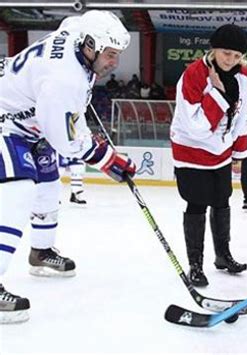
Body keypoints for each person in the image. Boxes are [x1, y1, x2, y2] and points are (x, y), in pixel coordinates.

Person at [0, 10, 136, 324]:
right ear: (90, 46)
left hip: (31, 121)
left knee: (48, 184)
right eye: (111, 54)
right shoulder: (64, 79)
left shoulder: (77, 34)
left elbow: (74, 21)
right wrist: (108, 159)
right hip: (7, 122)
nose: (115, 62)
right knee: (19, 192)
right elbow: (66, 140)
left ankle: (41, 253)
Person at [170, 24, 247, 287]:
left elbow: (242, 116)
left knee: (221, 200)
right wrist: (216, 92)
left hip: (221, 152)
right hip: (191, 151)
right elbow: (196, 126)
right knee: (197, 203)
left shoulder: (242, 76)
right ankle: (195, 264)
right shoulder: (193, 74)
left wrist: (238, 150)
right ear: (214, 49)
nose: (231, 60)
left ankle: (222, 256)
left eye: (237, 56)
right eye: (226, 53)